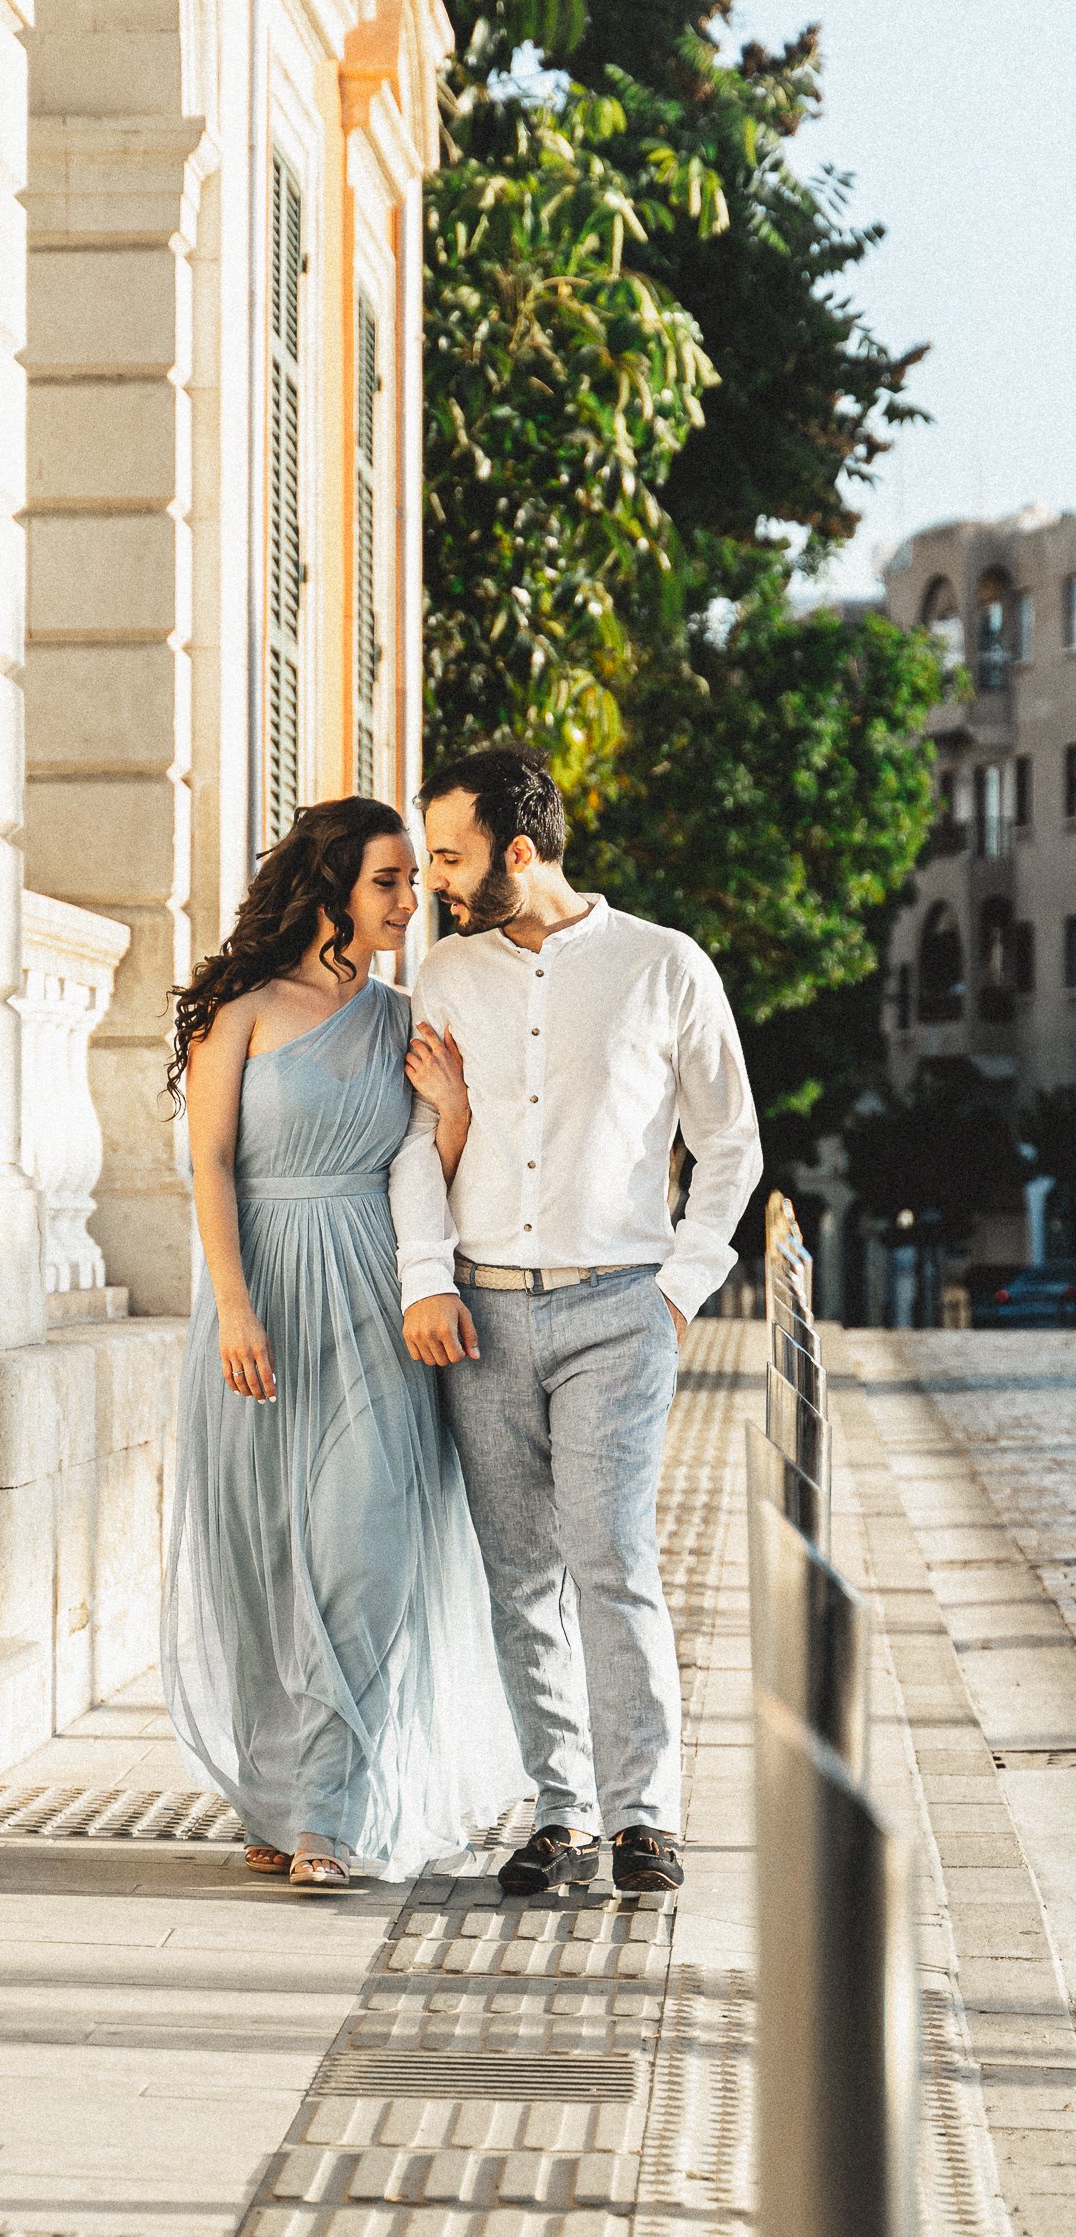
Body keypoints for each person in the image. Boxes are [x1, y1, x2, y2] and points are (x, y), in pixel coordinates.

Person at [390, 747, 761, 1897]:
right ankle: (559, 1812)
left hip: (617, 1310)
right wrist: (423, 1277)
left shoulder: (663, 965)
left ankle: (643, 1813)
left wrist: (675, 1286)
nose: (436, 882)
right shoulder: (442, 976)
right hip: (481, 1315)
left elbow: (729, 1144)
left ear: (516, 850)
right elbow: (416, 1142)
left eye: (449, 858)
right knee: (518, 1574)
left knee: (610, 1556)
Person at [161, 797, 521, 1888]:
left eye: (414, 881)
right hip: (260, 1290)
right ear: (328, 885)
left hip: (370, 1294)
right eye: (387, 882)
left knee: (362, 1552)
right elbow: (211, 1164)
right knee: (268, 1558)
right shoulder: (240, 1006)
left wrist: (451, 1110)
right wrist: (232, 1305)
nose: (410, 902)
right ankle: (281, 1796)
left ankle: (327, 1811)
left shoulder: (403, 1016)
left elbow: (426, 1164)